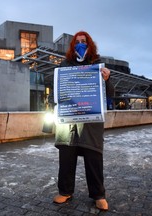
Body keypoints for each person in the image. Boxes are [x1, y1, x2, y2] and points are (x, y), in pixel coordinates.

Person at [52, 31, 111, 211]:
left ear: (89, 44)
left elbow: (109, 94)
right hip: (68, 122)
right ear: (72, 45)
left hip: (91, 123)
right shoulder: (64, 65)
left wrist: (107, 80)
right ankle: (65, 191)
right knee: (66, 158)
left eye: (83, 41)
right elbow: (57, 92)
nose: (80, 44)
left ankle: (98, 195)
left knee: (94, 159)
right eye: (77, 42)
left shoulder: (98, 66)